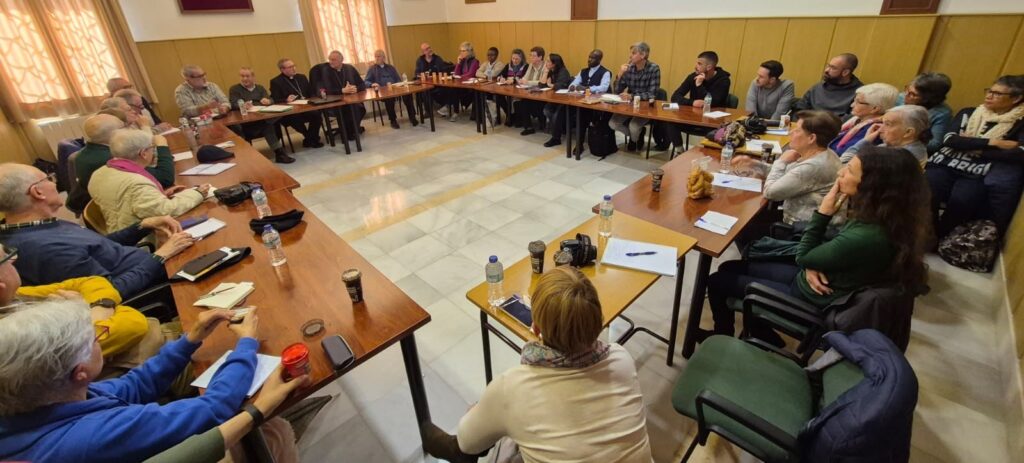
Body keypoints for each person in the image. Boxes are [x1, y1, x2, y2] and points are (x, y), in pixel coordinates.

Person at [0, 300, 308, 462]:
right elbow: (213, 409)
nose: (99, 338)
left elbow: (133, 386)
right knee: (272, 431)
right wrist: (247, 343)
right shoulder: (90, 437)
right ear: (79, 371)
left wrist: (190, 339)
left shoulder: (51, 398)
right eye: (95, 337)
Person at [422, 267, 653, 463]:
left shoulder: (512, 388)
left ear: (536, 328)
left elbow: (466, 442)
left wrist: (481, 412)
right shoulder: (621, 358)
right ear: (598, 322)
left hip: (485, 427)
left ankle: (437, 438)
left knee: (500, 430)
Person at [708, 145, 931, 343]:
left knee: (717, 280)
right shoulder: (887, 220)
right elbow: (825, 249)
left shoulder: (869, 236)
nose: (840, 172)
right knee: (730, 267)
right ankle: (761, 331)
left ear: (872, 185)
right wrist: (812, 264)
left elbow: (804, 255)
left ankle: (721, 335)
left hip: (812, 298)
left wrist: (823, 213)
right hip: (819, 280)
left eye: (849, 171)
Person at [0, 164, 193, 299]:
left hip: (152, 267)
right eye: (49, 178)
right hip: (157, 286)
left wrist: (142, 225)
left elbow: (98, 246)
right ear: (37, 192)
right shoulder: (47, 248)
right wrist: (161, 255)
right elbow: (109, 292)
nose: (54, 183)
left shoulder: (34, 227)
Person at [0, 244, 147, 359]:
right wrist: (85, 310)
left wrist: (99, 307)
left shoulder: (14, 294)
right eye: (6, 257)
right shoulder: (13, 342)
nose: (14, 259)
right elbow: (133, 324)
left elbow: (91, 281)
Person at [927, 74, 1024, 239]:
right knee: (927, 193)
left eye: (997, 93)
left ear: (1016, 98)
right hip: (944, 163)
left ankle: (941, 239)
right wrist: (994, 142)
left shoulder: (1019, 123)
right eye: (989, 91)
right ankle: (927, 233)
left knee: (962, 201)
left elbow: (1020, 152)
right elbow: (950, 140)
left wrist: (978, 149)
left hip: (977, 172)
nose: (989, 96)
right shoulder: (968, 112)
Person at [731, 110, 844, 247]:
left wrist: (782, 161)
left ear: (811, 138)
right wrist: (753, 164)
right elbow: (786, 176)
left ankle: (755, 256)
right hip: (805, 223)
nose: (791, 132)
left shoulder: (814, 166)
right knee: (749, 214)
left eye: (797, 130)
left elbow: (771, 193)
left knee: (739, 226)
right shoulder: (824, 153)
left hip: (801, 232)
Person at [88, 129, 209, 234]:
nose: (153, 151)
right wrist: (198, 193)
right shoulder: (136, 183)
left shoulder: (99, 173)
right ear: (143, 153)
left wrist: (157, 194)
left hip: (119, 231)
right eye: (152, 148)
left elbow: (127, 201)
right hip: (143, 237)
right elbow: (167, 211)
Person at [67, 114, 175, 213]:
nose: (129, 129)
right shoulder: (110, 158)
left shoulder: (87, 152)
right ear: (113, 135)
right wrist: (162, 146)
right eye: (124, 127)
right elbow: (165, 178)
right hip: (123, 212)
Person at [662, 51, 732, 150]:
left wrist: (699, 85)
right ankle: (679, 151)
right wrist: (692, 102)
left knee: (715, 134)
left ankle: (707, 154)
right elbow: (675, 96)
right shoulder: (693, 77)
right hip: (692, 119)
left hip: (712, 123)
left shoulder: (723, 80)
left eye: (699, 64)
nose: (695, 66)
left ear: (709, 67)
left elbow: (713, 102)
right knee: (671, 122)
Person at [546, 49, 610, 149]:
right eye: (589, 57)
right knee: (561, 110)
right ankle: (556, 138)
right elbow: (574, 82)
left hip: (593, 103)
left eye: (593, 58)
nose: (589, 60)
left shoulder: (605, 72)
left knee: (582, 116)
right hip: (578, 100)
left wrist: (588, 88)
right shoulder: (583, 71)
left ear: (599, 60)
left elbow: (604, 87)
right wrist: (572, 86)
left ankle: (579, 144)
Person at [228, 67, 294, 163]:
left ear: (253, 77)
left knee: (270, 124)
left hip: (261, 118)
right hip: (246, 122)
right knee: (268, 125)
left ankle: (280, 154)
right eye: (242, 76)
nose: (244, 79)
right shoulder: (235, 89)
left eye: (247, 76)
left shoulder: (260, 88)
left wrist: (268, 101)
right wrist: (242, 105)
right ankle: (279, 153)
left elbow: (270, 99)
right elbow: (233, 104)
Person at [609, 42, 660, 152]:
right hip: (630, 106)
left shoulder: (654, 69)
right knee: (613, 123)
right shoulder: (629, 68)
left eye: (633, 53)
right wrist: (619, 75)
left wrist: (632, 96)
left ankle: (633, 140)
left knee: (634, 125)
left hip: (646, 107)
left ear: (643, 55)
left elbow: (652, 94)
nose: (630, 56)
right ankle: (636, 136)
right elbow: (617, 91)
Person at [842, 105, 931, 166]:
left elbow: (843, 163)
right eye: (882, 123)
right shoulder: (893, 147)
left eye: (888, 124)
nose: (880, 129)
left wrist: (865, 141)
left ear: (908, 132)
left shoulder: (899, 157)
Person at [828, 83, 899, 156]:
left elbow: (844, 152)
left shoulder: (875, 129)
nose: (852, 105)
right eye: (854, 100)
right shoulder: (853, 119)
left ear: (875, 108)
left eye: (858, 102)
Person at [269, 57, 324, 149]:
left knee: (317, 114)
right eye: (290, 67)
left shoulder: (301, 77)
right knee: (295, 118)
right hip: (290, 112)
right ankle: (311, 138)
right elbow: (275, 99)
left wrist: (316, 97)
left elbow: (311, 92)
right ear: (282, 69)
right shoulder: (276, 82)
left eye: (294, 66)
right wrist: (286, 100)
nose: (294, 68)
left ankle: (309, 139)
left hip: (306, 108)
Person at [313, 50, 367, 139]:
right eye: (329, 59)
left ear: (341, 60)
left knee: (361, 109)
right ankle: (349, 133)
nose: (330, 62)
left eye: (333, 60)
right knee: (347, 111)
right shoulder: (326, 71)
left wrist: (355, 89)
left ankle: (352, 129)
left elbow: (362, 84)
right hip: (336, 102)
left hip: (351, 100)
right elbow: (326, 90)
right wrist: (342, 91)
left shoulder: (350, 68)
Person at [793, 53, 863, 118]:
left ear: (845, 72)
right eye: (828, 66)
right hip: (808, 124)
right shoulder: (817, 88)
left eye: (833, 68)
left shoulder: (859, 93)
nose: (826, 70)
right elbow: (799, 110)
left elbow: (851, 120)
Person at [899, 72, 953, 154]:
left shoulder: (942, 114)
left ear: (928, 99)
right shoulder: (900, 98)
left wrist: (903, 137)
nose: (906, 95)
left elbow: (935, 144)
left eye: (913, 94)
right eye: (907, 89)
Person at [365, 49, 419, 130]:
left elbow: (398, 79)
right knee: (389, 98)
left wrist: (399, 86)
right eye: (375, 56)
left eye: (378, 56)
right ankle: (393, 120)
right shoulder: (372, 69)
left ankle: (412, 117)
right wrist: (372, 84)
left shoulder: (391, 67)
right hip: (382, 92)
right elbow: (366, 81)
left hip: (395, 89)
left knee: (407, 94)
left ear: (384, 58)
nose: (376, 58)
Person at [437, 41, 480, 121]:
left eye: (463, 51)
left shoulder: (475, 61)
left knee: (454, 90)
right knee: (451, 88)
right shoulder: (463, 61)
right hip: (461, 85)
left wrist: (459, 77)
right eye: (460, 51)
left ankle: (450, 108)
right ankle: (452, 109)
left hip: (470, 87)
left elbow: (470, 74)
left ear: (469, 51)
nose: (461, 53)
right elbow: (456, 73)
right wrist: (458, 63)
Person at [536, 54, 572, 146]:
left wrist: (550, 85)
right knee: (546, 110)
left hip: (564, 100)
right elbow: (541, 85)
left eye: (548, 61)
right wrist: (545, 72)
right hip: (554, 99)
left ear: (554, 63)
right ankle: (560, 128)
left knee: (556, 115)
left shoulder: (563, 71)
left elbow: (560, 86)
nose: (546, 63)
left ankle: (556, 138)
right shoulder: (550, 71)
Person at [515, 46, 550, 134]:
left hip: (542, 93)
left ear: (540, 57)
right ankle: (528, 127)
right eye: (530, 55)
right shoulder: (531, 65)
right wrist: (522, 81)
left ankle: (541, 123)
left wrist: (528, 82)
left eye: (533, 56)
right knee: (522, 102)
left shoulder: (545, 66)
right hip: (530, 91)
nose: (531, 57)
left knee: (528, 103)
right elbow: (525, 78)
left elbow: (541, 82)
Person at [414, 42, 453, 114]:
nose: (429, 50)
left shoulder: (437, 58)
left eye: (429, 48)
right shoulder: (420, 60)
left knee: (446, 88)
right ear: (423, 52)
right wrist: (422, 76)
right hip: (425, 83)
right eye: (426, 49)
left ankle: (445, 107)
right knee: (425, 91)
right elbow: (417, 73)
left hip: (438, 83)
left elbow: (443, 71)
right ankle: (428, 112)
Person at [497, 48, 528, 126]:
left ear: (522, 59)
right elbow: (500, 75)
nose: (514, 61)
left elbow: (523, 79)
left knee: (515, 99)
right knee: (498, 96)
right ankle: (509, 115)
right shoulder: (508, 65)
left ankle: (515, 117)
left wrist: (513, 80)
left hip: (520, 91)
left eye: (517, 59)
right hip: (508, 89)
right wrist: (501, 78)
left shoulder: (526, 66)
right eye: (513, 58)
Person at [477, 47, 505, 123]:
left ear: (496, 55)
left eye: (492, 55)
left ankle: (492, 117)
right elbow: (477, 72)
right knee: (477, 94)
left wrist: (484, 74)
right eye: (488, 55)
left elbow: (493, 74)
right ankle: (480, 117)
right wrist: (485, 76)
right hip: (485, 85)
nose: (489, 57)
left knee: (490, 96)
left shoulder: (500, 64)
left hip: (496, 87)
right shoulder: (485, 63)